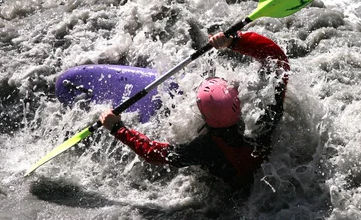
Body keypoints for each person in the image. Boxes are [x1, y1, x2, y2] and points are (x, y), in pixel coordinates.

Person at [99, 31, 290, 187]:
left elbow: (153, 153)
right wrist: (234, 41)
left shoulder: (204, 147)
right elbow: (278, 60)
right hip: (264, 179)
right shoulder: (264, 119)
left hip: (232, 194)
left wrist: (118, 129)